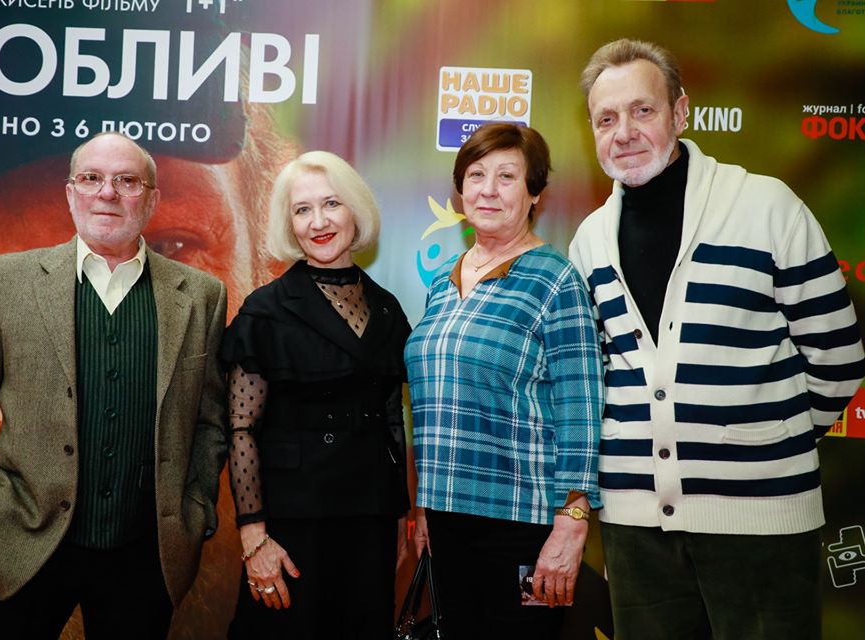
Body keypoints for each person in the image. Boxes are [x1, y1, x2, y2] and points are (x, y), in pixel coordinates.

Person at [0, 100, 294, 638]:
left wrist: (194, 511)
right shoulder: (5, 280)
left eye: (127, 181)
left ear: (151, 198)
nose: (107, 193)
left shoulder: (202, 295)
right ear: (71, 193)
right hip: (19, 550)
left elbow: (210, 416)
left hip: (143, 561)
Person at [568, 38, 865, 640]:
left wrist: (765, 437)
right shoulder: (589, 240)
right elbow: (594, 376)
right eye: (606, 118)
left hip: (762, 526)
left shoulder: (766, 206)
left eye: (642, 110)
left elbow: (838, 355)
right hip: (635, 530)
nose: (624, 132)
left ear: (680, 112)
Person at [404, 122, 604, 639]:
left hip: (523, 525)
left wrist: (571, 524)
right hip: (447, 520)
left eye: (507, 176)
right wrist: (426, 507)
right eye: (476, 175)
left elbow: (580, 410)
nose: (488, 190)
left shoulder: (555, 280)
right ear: (460, 189)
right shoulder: (444, 281)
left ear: (534, 193)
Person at [221, 151, 412, 640]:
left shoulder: (387, 309)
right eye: (302, 210)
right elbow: (240, 428)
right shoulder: (265, 311)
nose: (319, 222)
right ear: (289, 223)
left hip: (369, 522)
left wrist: (399, 518)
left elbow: (391, 421)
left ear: (355, 211)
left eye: (331, 204)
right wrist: (253, 536)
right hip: (291, 526)